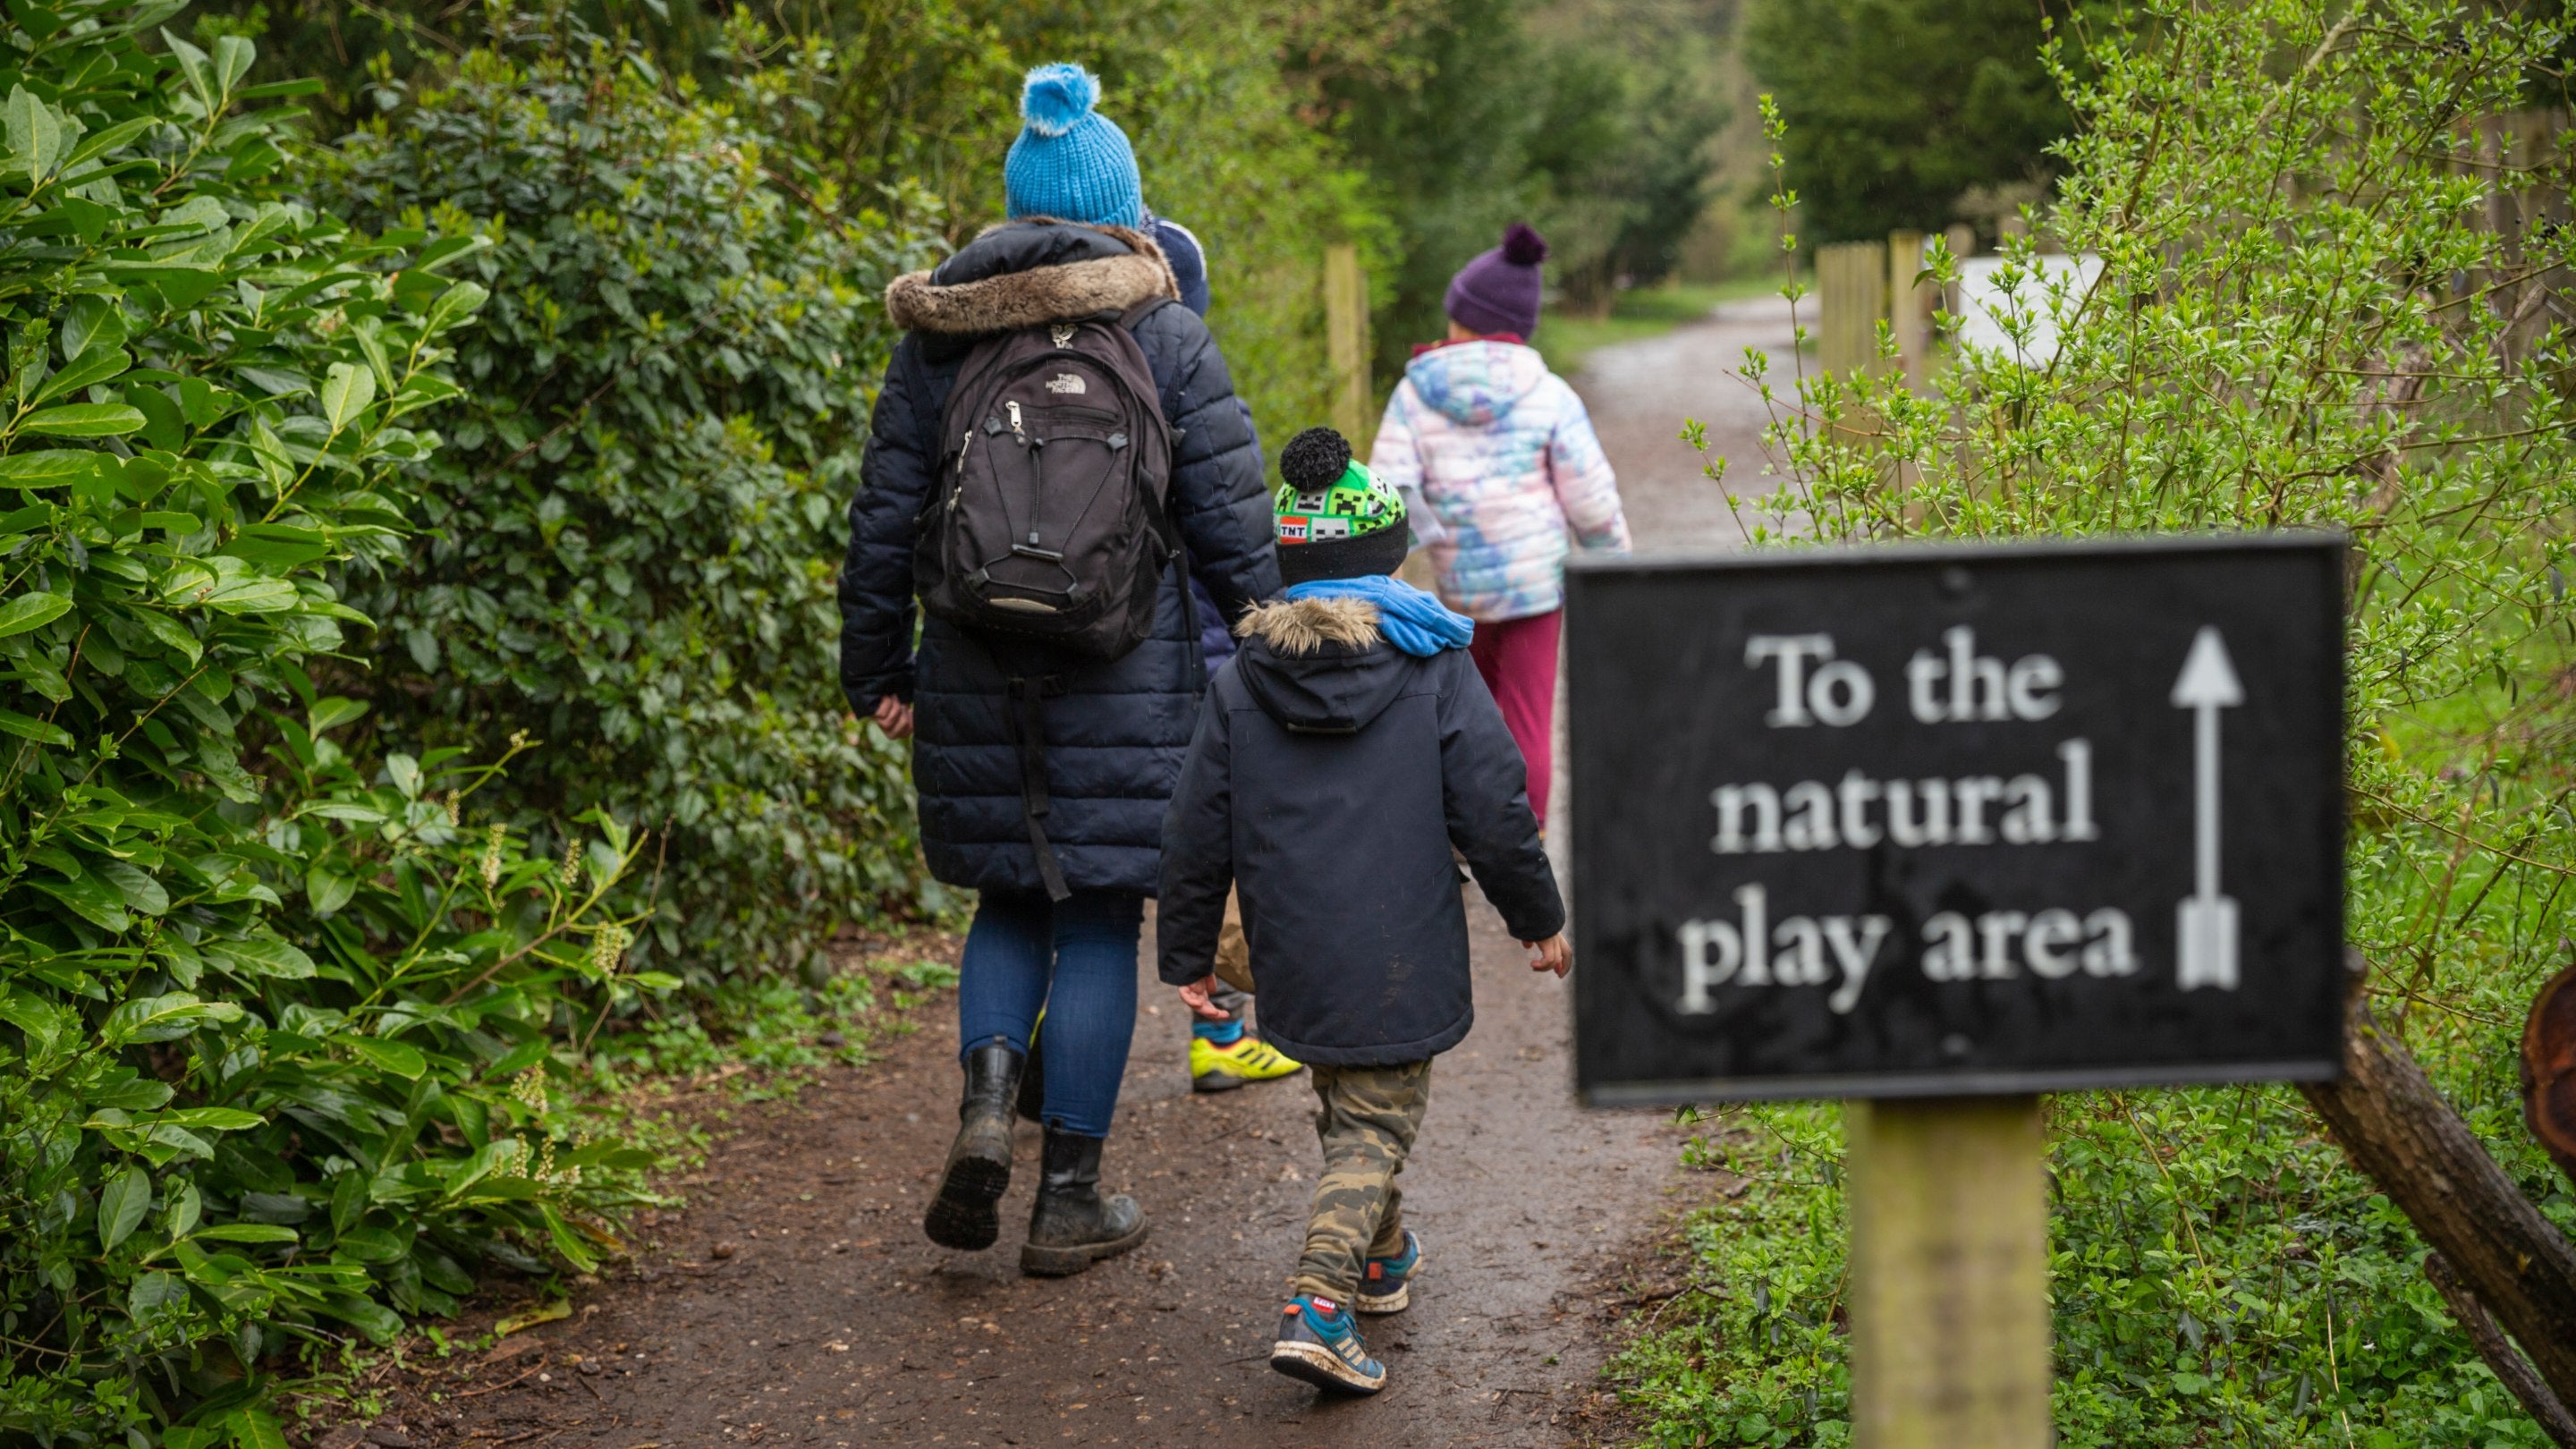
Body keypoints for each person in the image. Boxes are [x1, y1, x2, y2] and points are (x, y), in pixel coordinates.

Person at [839, 62, 1276, 1277]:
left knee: (1007, 900)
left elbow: (884, 517)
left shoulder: (939, 343)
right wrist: (1276, 657)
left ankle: (989, 1103)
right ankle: (1069, 1196)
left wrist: (876, 664)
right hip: (1126, 666)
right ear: (1127, 212)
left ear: (1015, 213)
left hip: (974, 658)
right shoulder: (1166, 334)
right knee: (1097, 914)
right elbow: (1232, 522)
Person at [1157, 426, 1571, 1394]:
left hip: (1294, 942)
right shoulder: (1431, 664)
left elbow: (1194, 826)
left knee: (1350, 1102)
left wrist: (1188, 952)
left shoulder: (1242, 679)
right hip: (1400, 943)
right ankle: (1319, 1305)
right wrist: (1536, 914)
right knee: (1374, 1125)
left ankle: (1381, 1259)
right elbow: (1493, 804)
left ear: (1288, 561)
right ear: (1389, 555)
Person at [1365, 223, 1630, 829]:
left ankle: (1470, 824)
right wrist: (1612, 562)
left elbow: (1393, 492)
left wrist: (1390, 575)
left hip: (1461, 583)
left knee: (1470, 705)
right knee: (1530, 713)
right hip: (1537, 585)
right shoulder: (1549, 392)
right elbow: (1589, 496)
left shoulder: (1415, 392)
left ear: (1462, 318)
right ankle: (1526, 832)